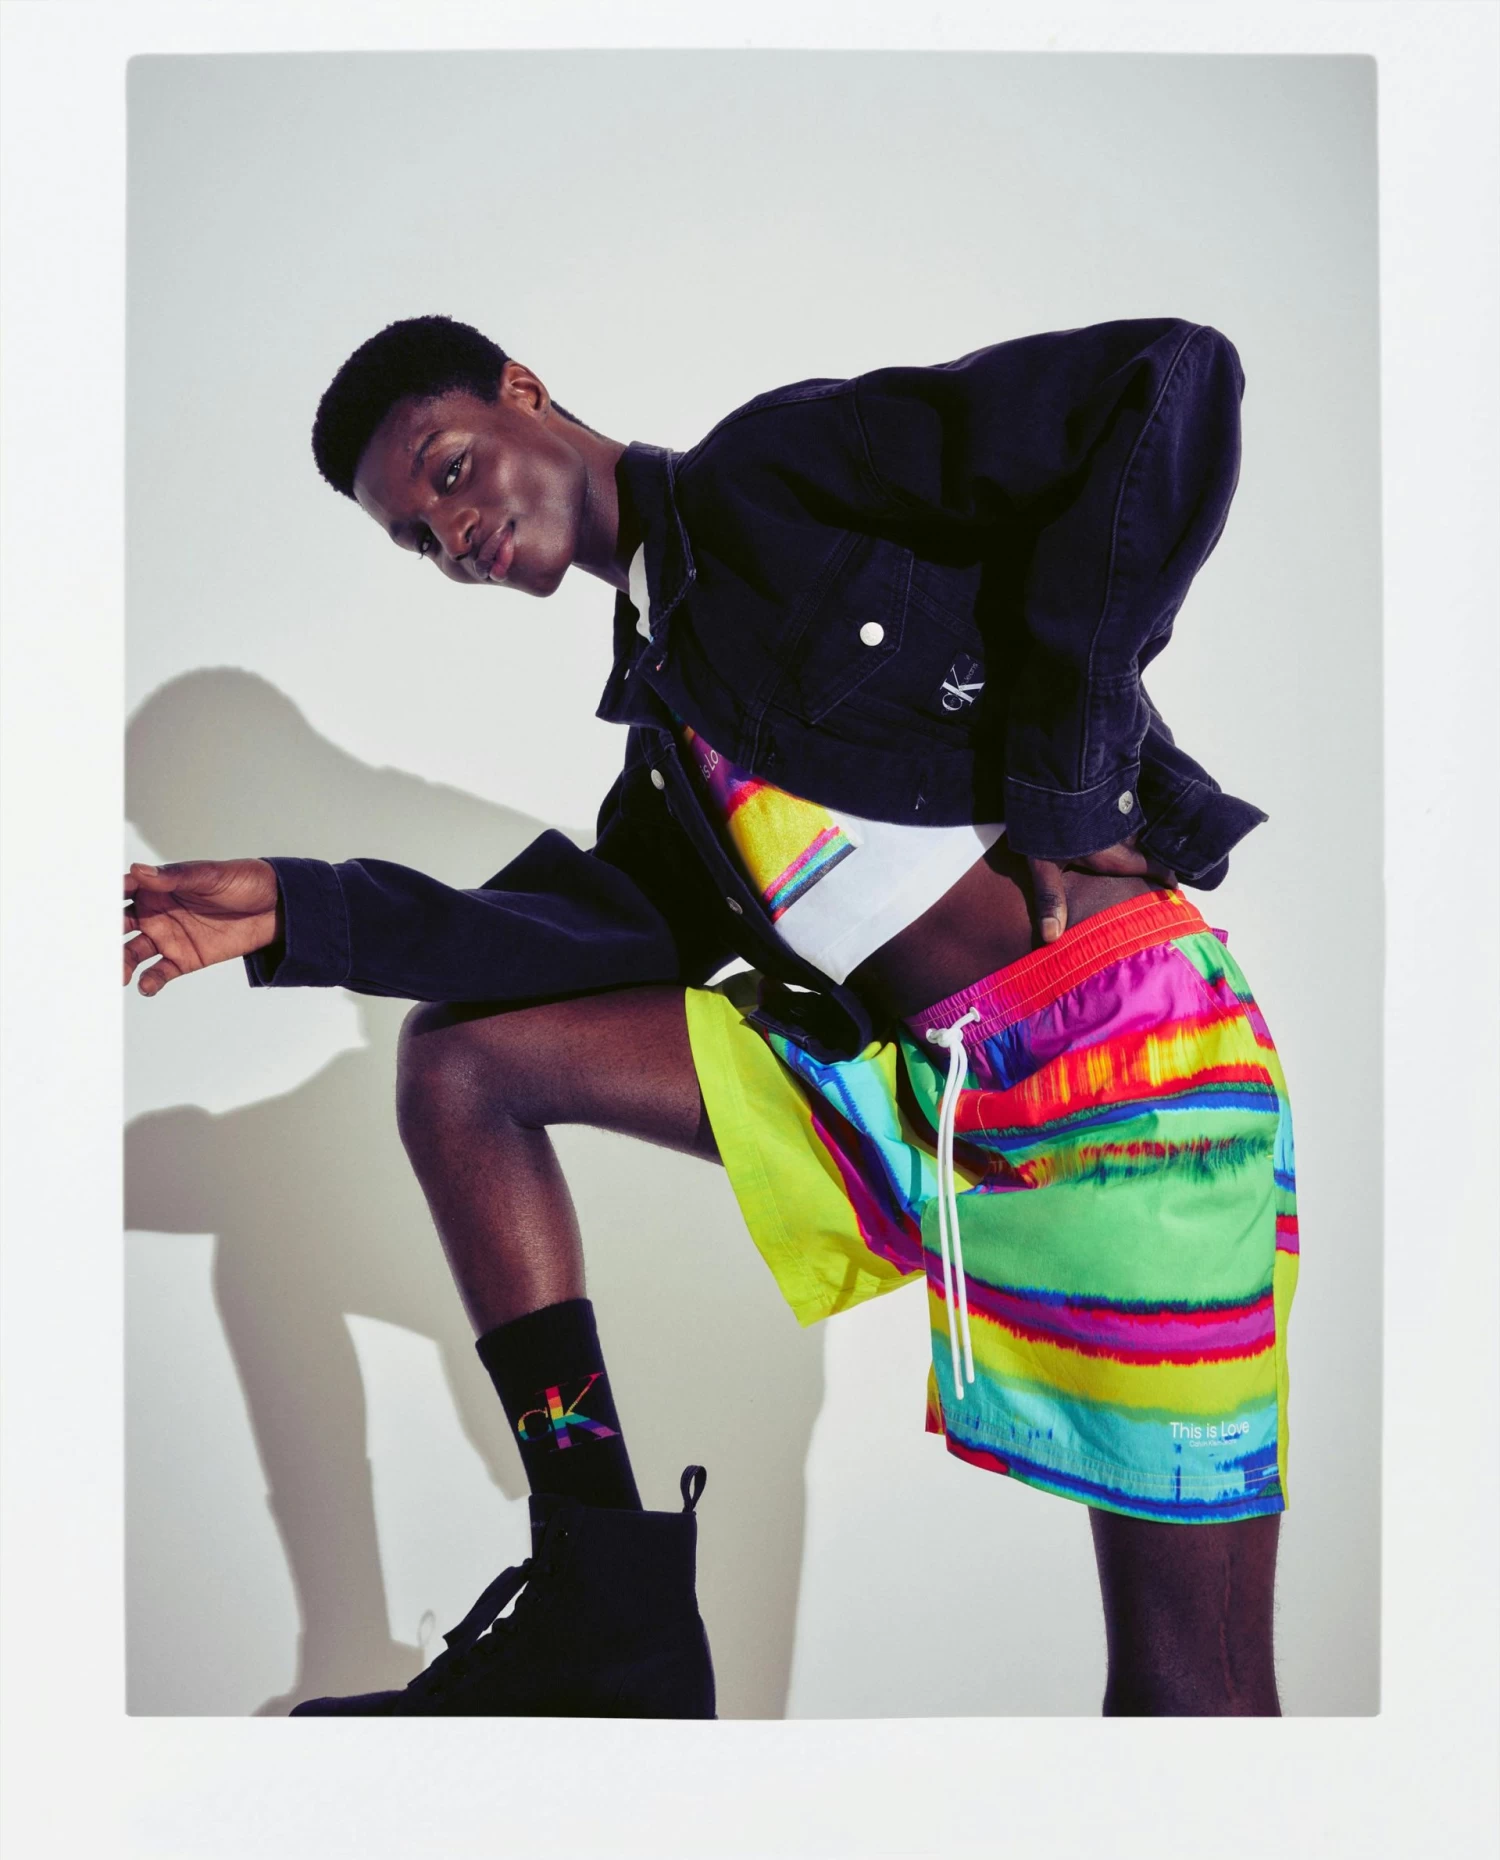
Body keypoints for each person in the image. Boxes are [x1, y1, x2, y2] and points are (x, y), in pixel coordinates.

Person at [123, 314, 1298, 1717]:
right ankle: (601, 1610)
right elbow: (562, 936)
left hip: (1126, 1071)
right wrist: (297, 907)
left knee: (1187, 1688)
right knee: (461, 1063)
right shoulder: (673, 731)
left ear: (522, 392)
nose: (453, 536)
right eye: (417, 539)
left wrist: (1070, 775)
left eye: (448, 471)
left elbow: (1165, 378)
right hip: (922, 1102)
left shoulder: (773, 473)